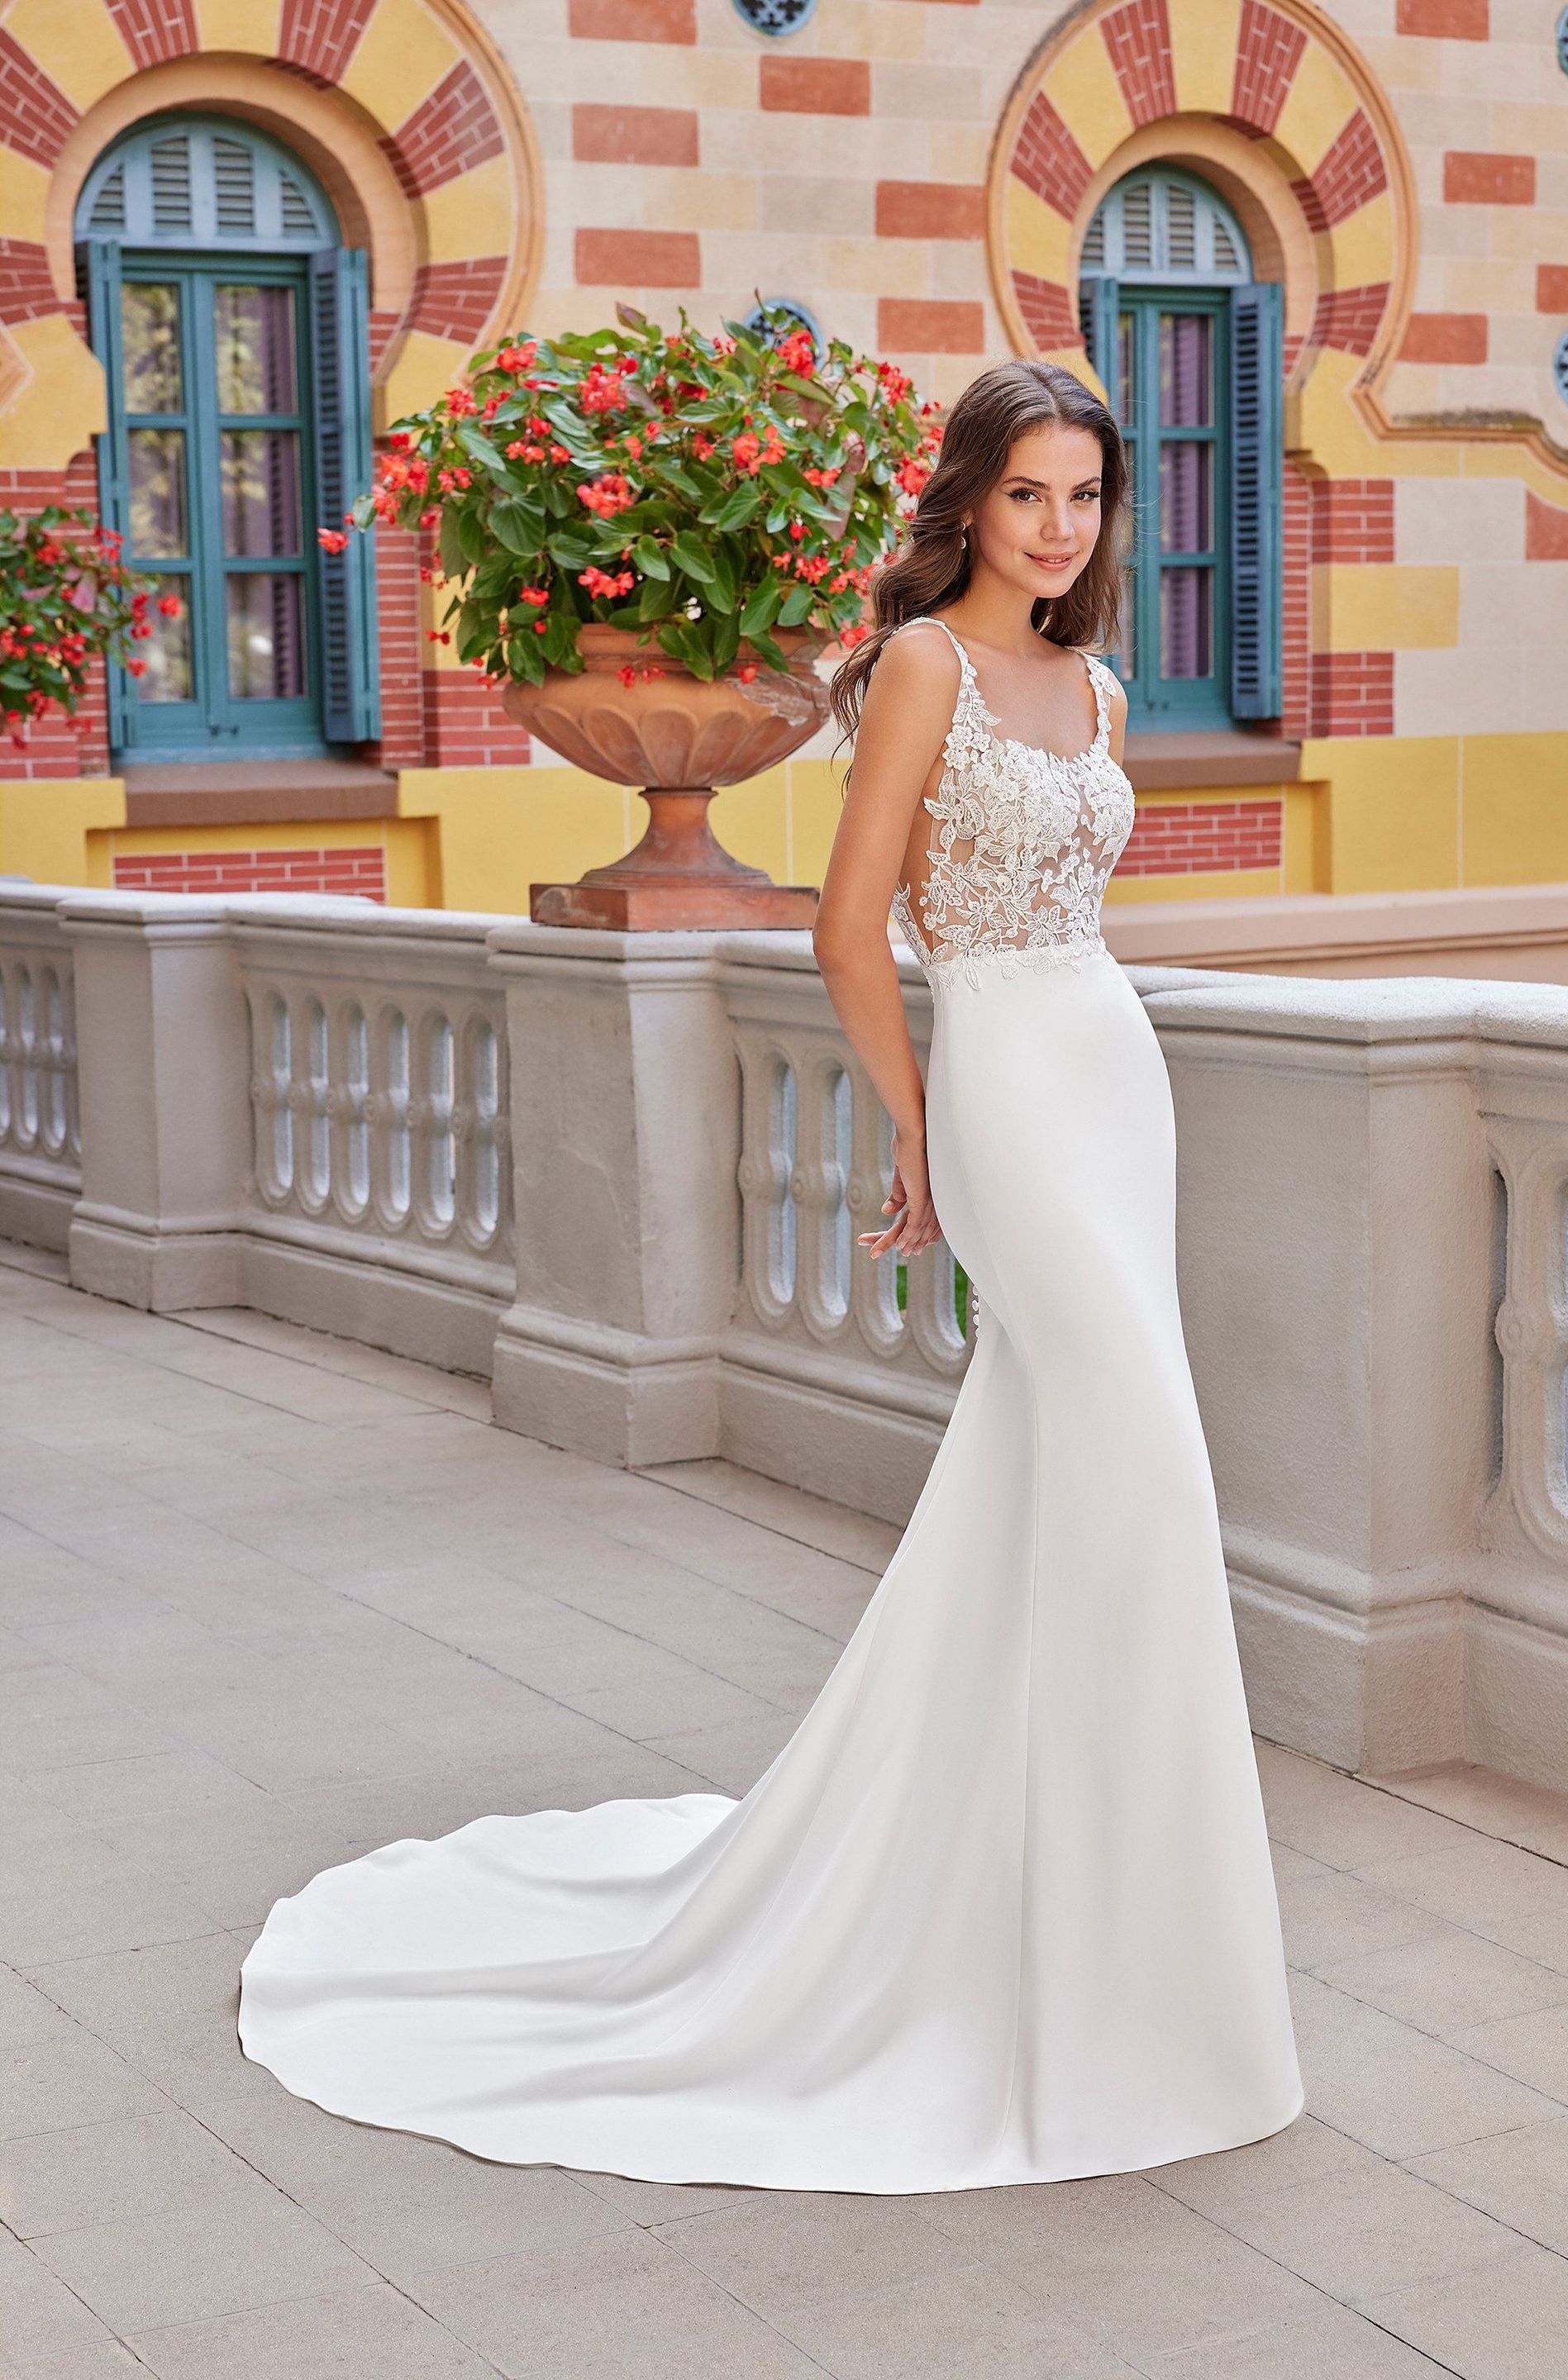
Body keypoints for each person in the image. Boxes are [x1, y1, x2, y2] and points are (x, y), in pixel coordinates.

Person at [236, 358, 1305, 2194]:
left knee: (1078, 1484)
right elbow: (847, 918)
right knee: (1137, 1462)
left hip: (1114, 1077)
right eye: (1029, 492)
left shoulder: (1098, 681)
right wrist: (916, 1129)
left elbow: (1079, 918)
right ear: (967, 502)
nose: (1061, 527)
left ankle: (1090, 1922)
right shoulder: (925, 669)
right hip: (1003, 1090)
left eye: (1086, 497)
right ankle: (1101, 1952)